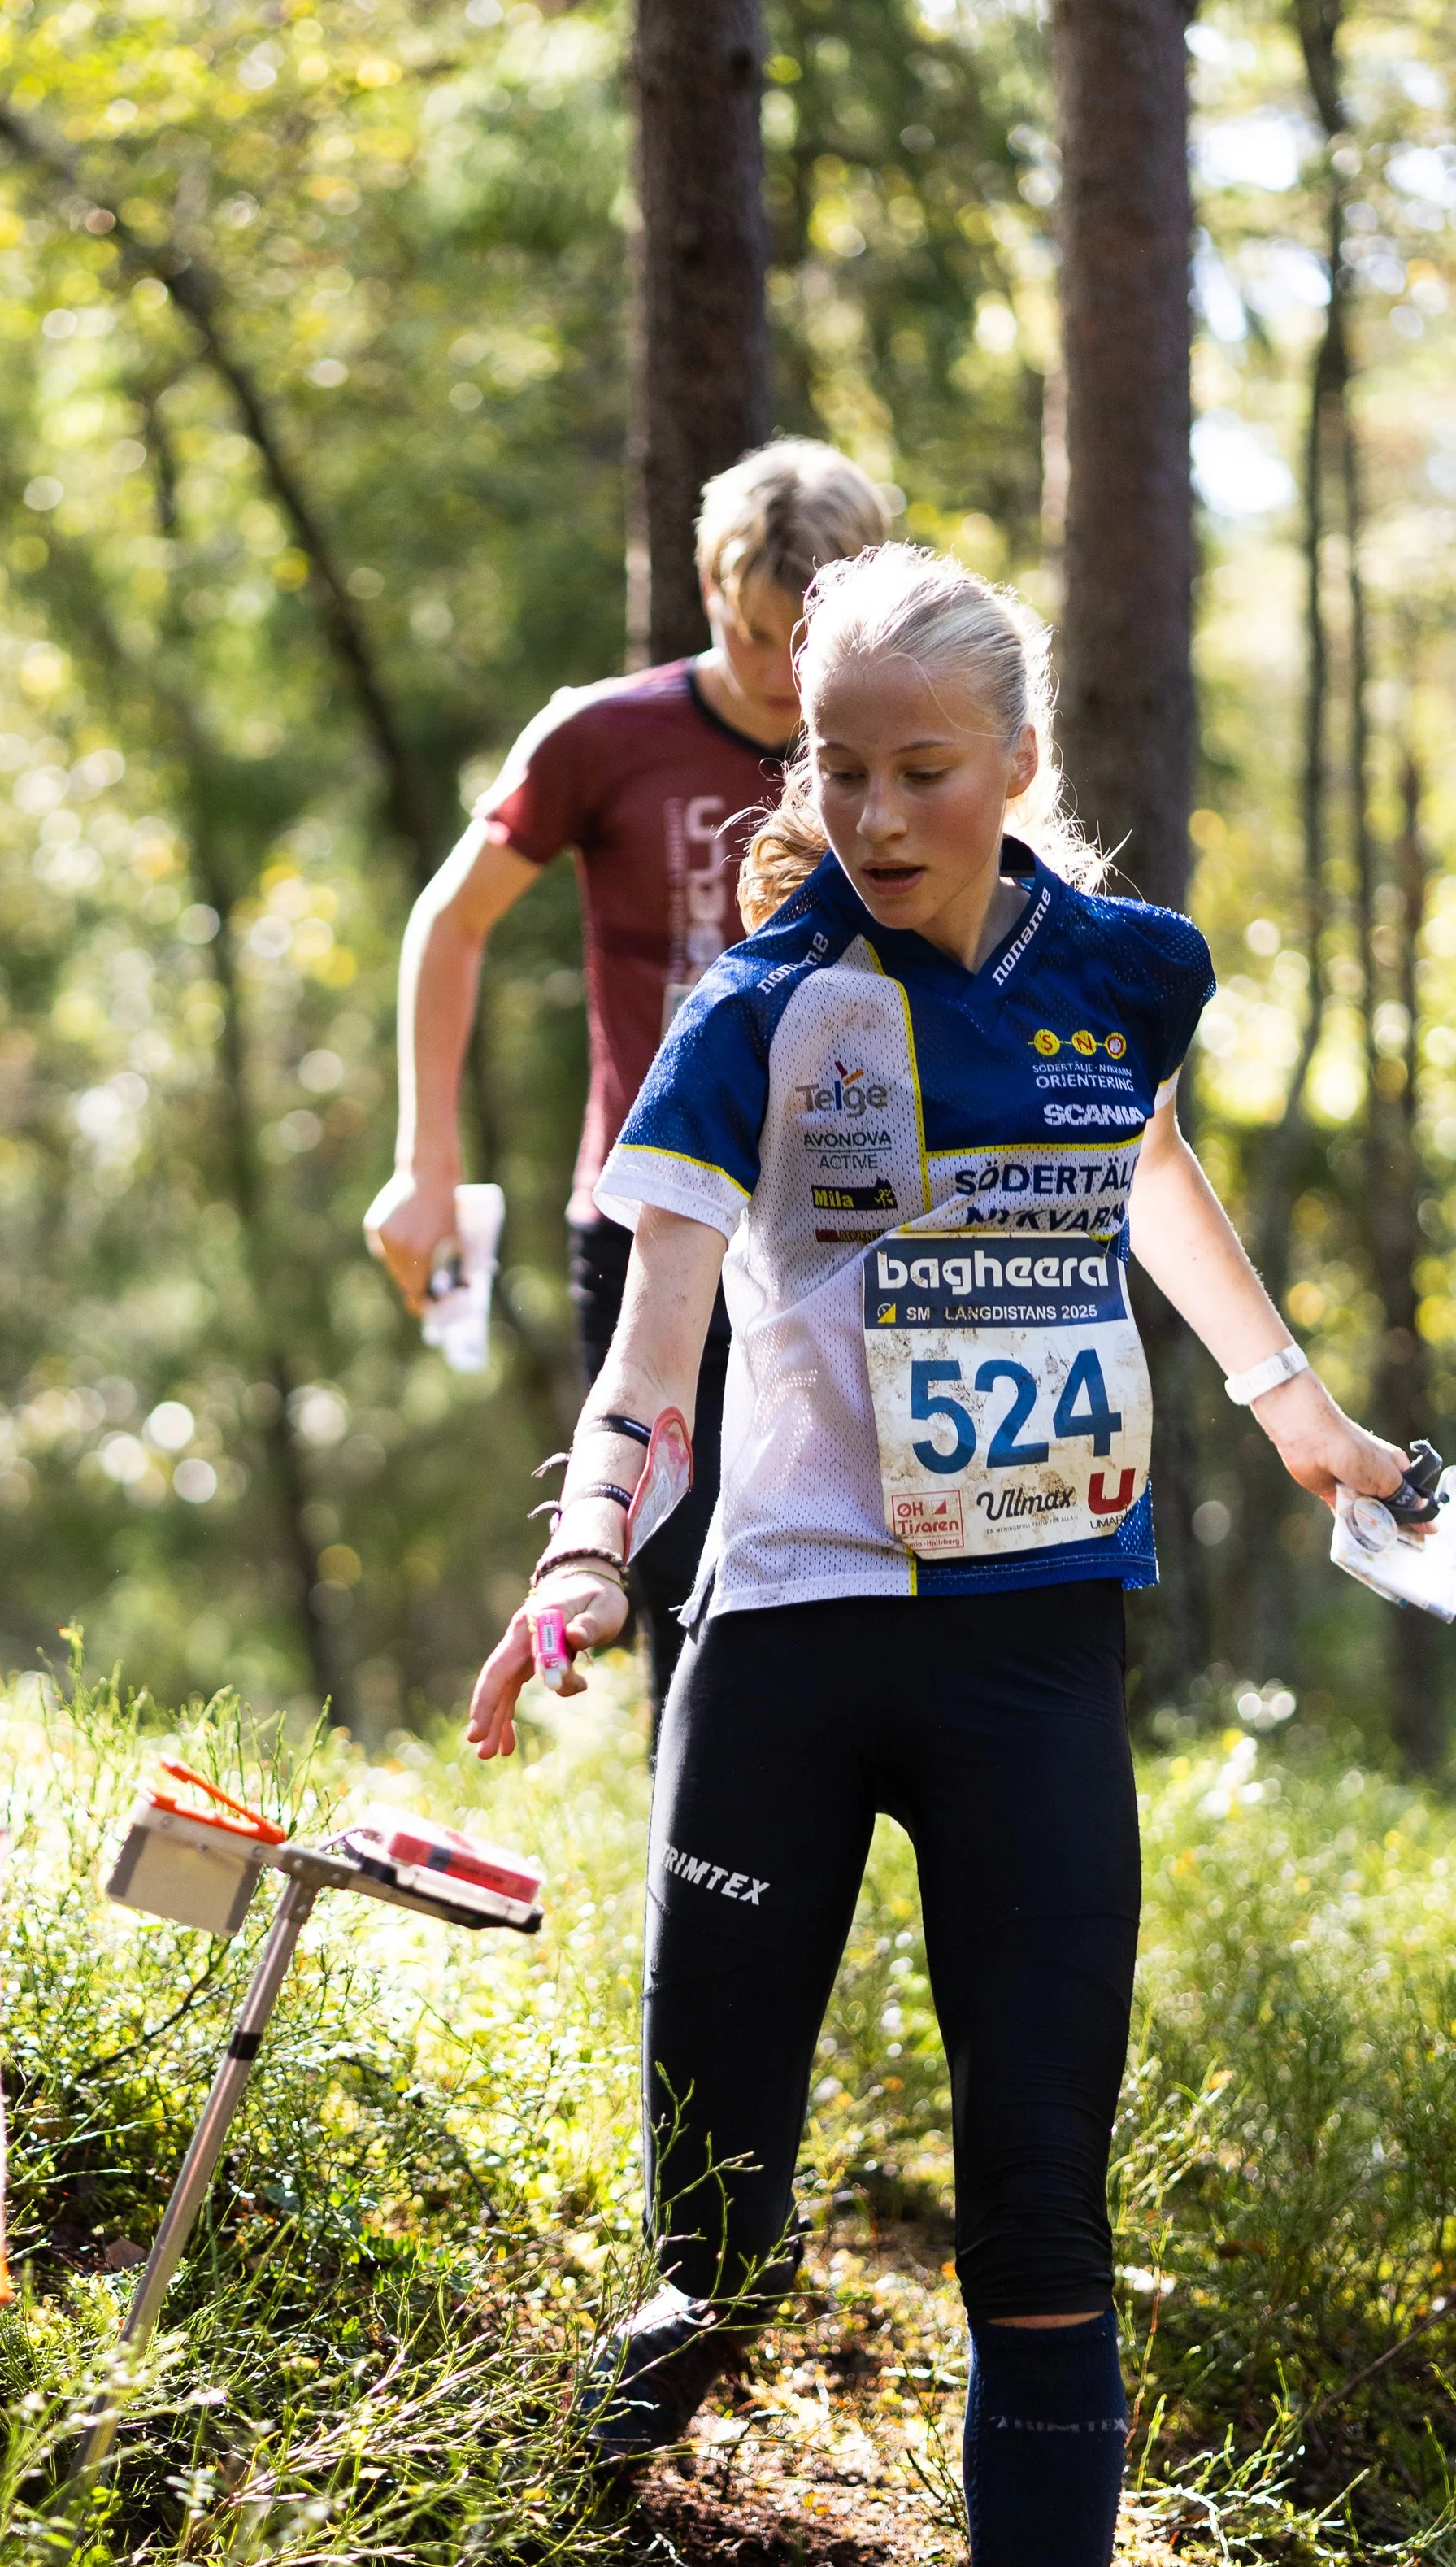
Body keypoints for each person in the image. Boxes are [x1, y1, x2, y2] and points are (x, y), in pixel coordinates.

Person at [467, 543, 1414, 2567]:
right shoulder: (753, 1013)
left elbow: (1142, 1162)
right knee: (716, 2234)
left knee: (1038, 2233)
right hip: (786, 1649)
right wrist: (584, 1546)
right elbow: (649, 1352)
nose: (875, 813)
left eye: (920, 770)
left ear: (1011, 765)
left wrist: (1291, 1407)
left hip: (1025, 1654)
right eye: (838, 769)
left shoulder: (1127, 973)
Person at [363, 441, 887, 1708]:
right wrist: (426, 1163)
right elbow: (451, 921)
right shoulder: (604, 737)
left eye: (804, 644)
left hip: (851, 1219)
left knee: (861, 1584)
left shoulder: (903, 751)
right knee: (675, 1584)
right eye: (753, 633)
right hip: (653, 1214)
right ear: (708, 590)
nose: (777, 675)